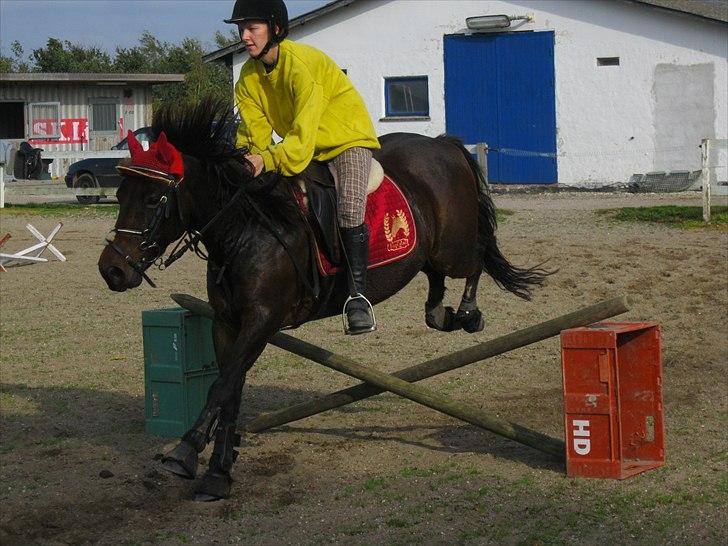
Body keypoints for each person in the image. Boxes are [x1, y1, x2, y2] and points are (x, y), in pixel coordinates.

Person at [225, 0, 380, 335]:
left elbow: (298, 141)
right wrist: (243, 161)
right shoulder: (248, 77)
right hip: (306, 148)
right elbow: (253, 135)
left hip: (347, 140)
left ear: (276, 29)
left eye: (252, 28)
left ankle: (357, 297)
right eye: (241, 29)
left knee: (350, 209)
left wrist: (266, 160)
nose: (245, 37)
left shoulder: (301, 66)